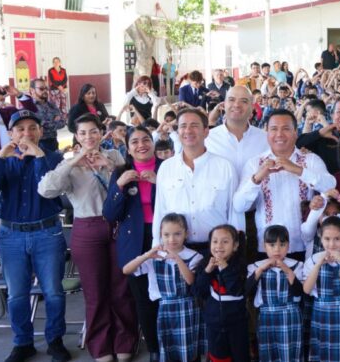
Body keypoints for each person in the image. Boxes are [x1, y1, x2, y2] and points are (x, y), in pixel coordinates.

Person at [38, 113, 136, 362]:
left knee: (120, 287)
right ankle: (101, 345)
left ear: (101, 132)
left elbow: (131, 184)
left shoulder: (114, 155)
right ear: (76, 137)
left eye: (93, 131)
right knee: (95, 291)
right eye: (82, 133)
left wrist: (110, 165)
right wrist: (75, 161)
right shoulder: (68, 162)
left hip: (117, 226)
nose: (88, 137)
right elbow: (47, 189)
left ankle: (124, 340)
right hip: (86, 228)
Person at [0, 110, 71, 362]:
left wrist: (40, 157)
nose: (26, 133)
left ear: (40, 132)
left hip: (47, 232)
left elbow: (52, 189)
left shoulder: (53, 157)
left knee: (54, 291)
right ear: (11, 134)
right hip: (11, 235)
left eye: (32, 128)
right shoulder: (4, 160)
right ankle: (22, 342)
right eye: (20, 129)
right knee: (17, 294)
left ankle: (55, 340)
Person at [235, 110, 335, 256]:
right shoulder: (254, 164)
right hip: (267, 248)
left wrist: (298, 170)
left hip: (303, 246)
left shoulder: (310, 160)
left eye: (286, 129)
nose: (279, 134)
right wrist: (257, 178)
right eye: (274, 129)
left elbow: (330, 185)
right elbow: (239, 205)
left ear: (295, 132)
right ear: (267, 133)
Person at [103, 126, 163, 362]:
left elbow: (181, 200)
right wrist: (119, 187)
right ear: (127, 148)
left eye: (146, 139)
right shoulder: (120, 172)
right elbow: (109, 214)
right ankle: (155, 349)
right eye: (135, 141)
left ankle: (174, 344)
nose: (141, 145)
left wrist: (159, 182)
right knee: (143, 300)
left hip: (164, 238)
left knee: (167, 296)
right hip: (135, 241)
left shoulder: (167, 167)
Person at [152, 108, 240, 256]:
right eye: (183, 126)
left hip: (216, 251)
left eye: (194, 125)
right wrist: (157, 245)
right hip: (177, 250)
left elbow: (234, 213)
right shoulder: (166, 167)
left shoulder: (225, 167)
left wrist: (234, 252)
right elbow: (161, 210)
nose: (188, 130)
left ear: (206, 131)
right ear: (177, 131)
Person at [123, 213, 204, 362]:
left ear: (186, 234)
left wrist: (177, 258)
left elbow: (190, 280)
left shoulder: (194, 256)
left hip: (187, 308)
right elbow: (126, 270)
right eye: (166, 234)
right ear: (160, 234)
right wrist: (147, 255)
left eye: (177, 234)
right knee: (168, 349)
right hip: (165, 309)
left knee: (189, 351)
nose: (172, 239)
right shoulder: (155, 256)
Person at [301, 216, 340, 362]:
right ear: (321, 239)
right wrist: (318, 264)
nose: (332, 244)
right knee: (322, 353)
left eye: (337, 239)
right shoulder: (313, 260)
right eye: (327, 239)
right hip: (321, 313)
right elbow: (306, 290)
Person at [247, 225, 304, 362]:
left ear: (288, 246)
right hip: (267, 316)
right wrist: (260, 270)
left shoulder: (296, 265)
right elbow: (246, 290)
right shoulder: (255, 266)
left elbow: (299, 291)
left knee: (289, 354)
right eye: (272, 245)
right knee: (268, 353)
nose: (277, 249)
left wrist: (286, 269)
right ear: (264, 246)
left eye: (282, 244)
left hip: (290, 316)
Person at [194, 224, 249, 362]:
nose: (219, 245)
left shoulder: (241, 266)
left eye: (225, 241)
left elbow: (237, 290)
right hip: (214, 324)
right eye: (215, 241)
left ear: (235, 246)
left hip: (237, 324)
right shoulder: (205, 264)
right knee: (218, 357)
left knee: (240, 356)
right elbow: (198, 291)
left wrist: (225, 268)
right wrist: (207, 271)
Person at [206, 85, 270, 180]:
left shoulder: (265, 139)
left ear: (252, 107)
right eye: (231, 100)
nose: (236, 105)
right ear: (224, 104)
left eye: (244, 101)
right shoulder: (208, 139)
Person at [17, 78, 65, 153]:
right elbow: (37, 125)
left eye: (46, 88)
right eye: (41, 89)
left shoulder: (51, 105)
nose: (45, 91)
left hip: (53, 142)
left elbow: (62, 122)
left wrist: (43, 124)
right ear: (32, 90)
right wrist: (53, 121)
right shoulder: (27, 107)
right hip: (36, 143)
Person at [46, 57, 69, 121]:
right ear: (53, 63)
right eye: (54, 62)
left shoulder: (63, 70)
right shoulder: (50, 70)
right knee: (56, 105)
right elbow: (52, 80)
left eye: (57, 62)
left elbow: (65, 79)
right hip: (54, 90)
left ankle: (64, 119)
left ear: (60, 62)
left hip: (63, 89)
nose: (56, 63)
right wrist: (58, 86)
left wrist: (62, 87)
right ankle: (56, 120)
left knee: (64, 104)